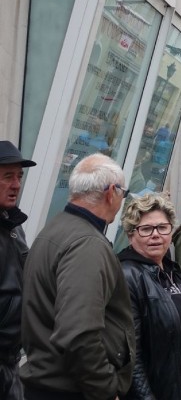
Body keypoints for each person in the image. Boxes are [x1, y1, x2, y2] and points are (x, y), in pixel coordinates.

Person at [21, 154, 135, 400]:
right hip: (72, 390)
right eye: (123, 194)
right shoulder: (87, 243)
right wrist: (106, 389)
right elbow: (78, 333)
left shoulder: (55, 229)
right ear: (111, 192)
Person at [119, 193, 181, 399]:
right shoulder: (127, 276)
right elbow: (132, 355)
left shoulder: (170, 270)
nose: (156, 235)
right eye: (146, 229)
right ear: (131, 234)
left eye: (162, 227)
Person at [0, 142, 35, 400]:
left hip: (11, 361)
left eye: (19, 176)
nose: (16, 185)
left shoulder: (14, 226)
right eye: (7, 176)